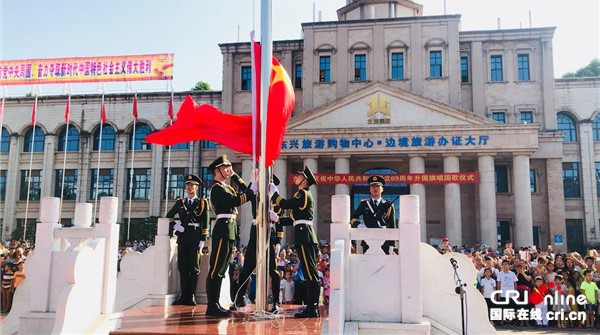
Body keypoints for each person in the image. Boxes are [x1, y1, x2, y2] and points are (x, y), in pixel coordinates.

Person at [205, 155, 253, 317]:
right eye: (225, 168)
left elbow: (247, 192)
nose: (228, 170)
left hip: (230, 230)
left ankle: (216, 303)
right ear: (217, 170)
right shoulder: (217, 188)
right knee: (216, 268)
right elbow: (236, 200)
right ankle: (212, 305)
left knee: (223, 268)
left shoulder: (228, 187)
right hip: (222, 229)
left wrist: (236, 176)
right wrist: (250, 192)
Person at [270, 165, 320, 318]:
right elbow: (293, 220)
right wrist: (278, 219)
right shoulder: (302, 195)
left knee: (311, 274)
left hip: (305, 235)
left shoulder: (302, 193)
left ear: (304, 180)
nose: (296, 178)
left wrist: (274, 193)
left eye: (299, 176)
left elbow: (284, 204)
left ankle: (312, 308)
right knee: (309, 272)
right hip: (303, 233)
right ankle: (312, 307)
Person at [234, 173, 283, 313]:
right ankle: (240, 297)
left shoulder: (275, 199)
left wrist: (278, 241)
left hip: (269, 234)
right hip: (255, 232)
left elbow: (279, 221)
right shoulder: (255, 195)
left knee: (273, 271)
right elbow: (244, 188)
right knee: (247, 268)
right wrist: (235, 175)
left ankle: (275, 302)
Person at [166, 174, 210, 306]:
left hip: (195, 237)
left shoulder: (202, 203)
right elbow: (169, 216)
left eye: (192, 185)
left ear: (197, 187)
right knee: (183, 267)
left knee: (194, 267)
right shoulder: (181, 202)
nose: (189, 188)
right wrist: (176, 226)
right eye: (187, 185)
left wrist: (203, 239)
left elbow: (206, 222)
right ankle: (184, 296)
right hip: (183, 237)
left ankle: (191, 296)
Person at [350, 175, 396, 254]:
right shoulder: (364, 204)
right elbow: (353, 218)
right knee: (367, 265)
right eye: (373, 186)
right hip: (368, 240)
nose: (375, 188)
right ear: (370, 189)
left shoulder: (388, 205)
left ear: (382, 189)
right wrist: (359, 225)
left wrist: (392, 245)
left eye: (378, 186)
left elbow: (392, 226)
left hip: (384, 241)